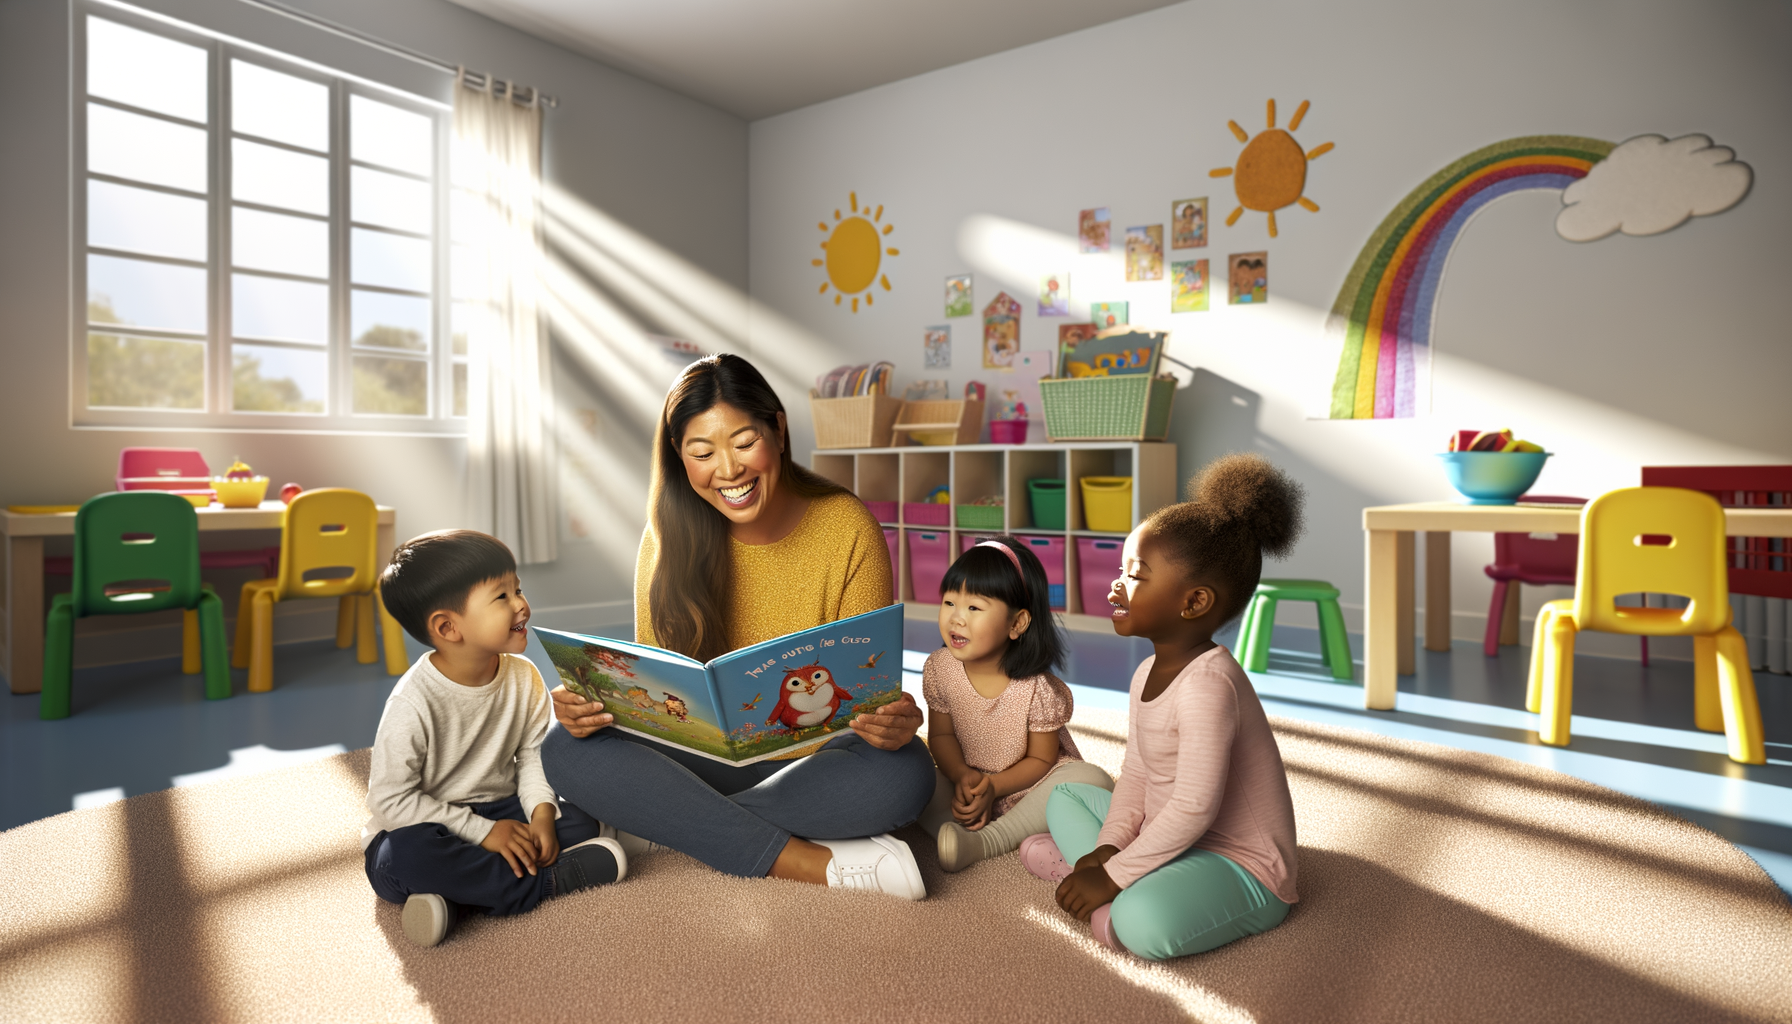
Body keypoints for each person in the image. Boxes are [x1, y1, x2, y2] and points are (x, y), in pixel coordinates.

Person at [542, 354, 935, 899]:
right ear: (680, 459)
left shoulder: (846, 526)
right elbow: (651, 697)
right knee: (565, 745)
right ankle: (804, 860)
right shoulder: (666, 537)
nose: (728, 470)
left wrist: (890, 720)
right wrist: (597, 705)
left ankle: (663, 823)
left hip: (815, 767)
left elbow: (864, 693)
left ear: (778, 428)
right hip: (699, 762)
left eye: (744, 443)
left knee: (906, 772)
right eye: (702, 453)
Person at [1025, 453, 1303, 959]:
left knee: (1141, 921)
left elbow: (1197, 808)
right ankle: (1098, 872)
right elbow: (1136, 773)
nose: (1115, 584)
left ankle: (1106, 891)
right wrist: (1109, 849)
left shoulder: (1209, 686)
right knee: (1065, 795)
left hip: (1242, 863)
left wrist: (1111, 878)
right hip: (1171, 835)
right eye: (1121, 570)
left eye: (1136, 575)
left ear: (1194, 602)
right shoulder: (1143, 674)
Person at [363, 530, 626, 948]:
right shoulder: (412, 702)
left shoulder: (523, 677)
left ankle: (456, 899)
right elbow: (391, 802)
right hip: (430, 826)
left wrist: (540, 813)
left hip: (501, 808)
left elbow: (534, 754)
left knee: (577, 820)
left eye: (517, 588)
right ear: (448, 627)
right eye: (501, 596)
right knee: (403, 858)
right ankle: (543, 885)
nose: (521, 603)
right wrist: (484, 833)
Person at [919, 537, 1113, 872]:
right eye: (949, 603)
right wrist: (963, 776)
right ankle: (958, 832)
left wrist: (994, 787)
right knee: (912, 772)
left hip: (1027, 789)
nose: (956, 618)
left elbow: (1042, 758)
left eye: (974, 608)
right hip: (966, 787)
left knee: (1092, 779)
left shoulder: (1036, 688)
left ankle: (985, 841)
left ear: (1017, 624)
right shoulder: (940, 668)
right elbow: (940, 738)